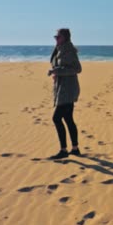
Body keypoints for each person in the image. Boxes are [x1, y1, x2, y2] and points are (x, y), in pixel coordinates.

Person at [47, 28, 82, 159]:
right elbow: (58, 66)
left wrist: (58, 71)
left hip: (68, 90)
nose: (56, 38)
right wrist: (55, 72)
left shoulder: (69, 51)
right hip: (61, 88)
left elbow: (78, 69)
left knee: (56, 118)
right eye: (55, 36)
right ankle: (75, 148)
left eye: (58, 36)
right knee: (68, 119)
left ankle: (63, 150)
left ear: (65, 38)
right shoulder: (59, 49)